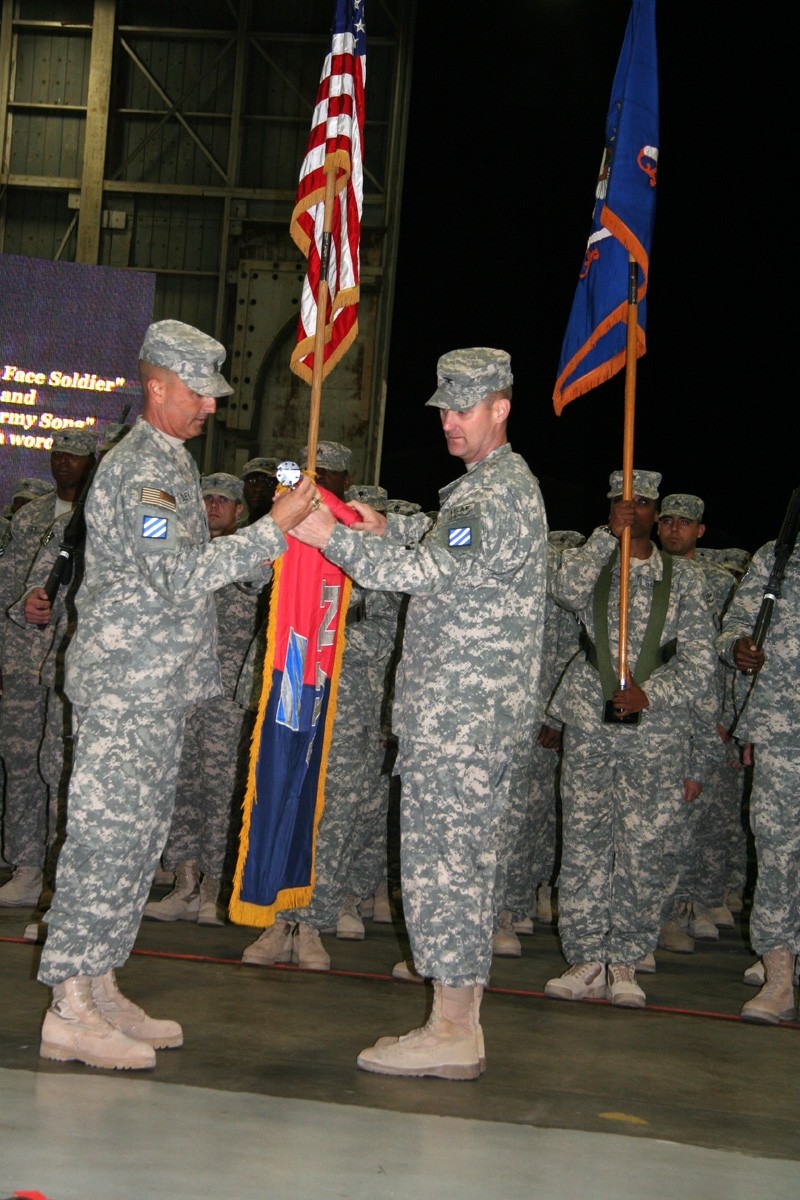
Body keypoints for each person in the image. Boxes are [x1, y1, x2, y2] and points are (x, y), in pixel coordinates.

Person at [32, 318, 314, 1071]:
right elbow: (177, 576)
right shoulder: (140, 472)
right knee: (103, 843)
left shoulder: (174, 464)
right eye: (199, 392)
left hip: (155, 690)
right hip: (126, 691)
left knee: (135, 843)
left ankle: (100, 981)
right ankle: (68, 1004)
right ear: (157, 387)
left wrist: (277, 544)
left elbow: (192, 572)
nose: (212, 406)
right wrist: (273, 529)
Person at [291, 347, 548, 1080]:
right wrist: (387, 530)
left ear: (500, 408)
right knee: (451, 866)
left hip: (460, 724)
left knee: (450, 870)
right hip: (460, 720)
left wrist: (331, 539)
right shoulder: (486, 490)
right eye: (443, 407)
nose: (448, 421)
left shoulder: (490, 495)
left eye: (463, 408)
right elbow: (446, 556)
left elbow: (428, 574)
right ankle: (452, 1020)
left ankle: (453, 1027)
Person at [544, 470, 716, 1009]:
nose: (634, 510)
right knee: (585, 841)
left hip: (655, 731)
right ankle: (586, 958)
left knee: (643, 848)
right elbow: (562, 589)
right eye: (624, 502)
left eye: (643, 503)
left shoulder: (685, 581)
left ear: (656, 511)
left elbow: (700, 659)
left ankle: (627, 960)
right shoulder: (596, 563)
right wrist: (603, 538)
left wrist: (654, 694)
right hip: (591, 722)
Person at [143, 472, 267, 926]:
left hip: (227, 697)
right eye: (207, 498)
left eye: (224, 500)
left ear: (240, 511)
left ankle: (217, 885)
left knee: (223, 790)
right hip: (179, 691)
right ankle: (185, 880)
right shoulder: (178, 556)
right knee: (180, 787)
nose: (214, 506)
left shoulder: (251, 557)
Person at [0, 429, 97, 907]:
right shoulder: (32, 516)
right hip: (20, 661)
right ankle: (24, 867)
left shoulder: (97, 517)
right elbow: (10, 589)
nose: (65, 463)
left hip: (67, 665)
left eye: (76, 457)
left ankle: (59, 879)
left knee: (61, 770)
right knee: (20, 766)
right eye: (58, 454)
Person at [716, 533, 800, 1024]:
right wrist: (739, 649)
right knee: (777, 848)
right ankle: (779, 975)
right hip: (782, 728)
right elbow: (731, 631)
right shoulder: (780, 553)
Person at [654, 494, 742, 957]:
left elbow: (729, 655)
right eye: (666, 521)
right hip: (653, 704)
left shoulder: (718, 583)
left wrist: (727, 717)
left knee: (693, 817)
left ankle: (681, 911)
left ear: (700, 531)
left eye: (684, 523)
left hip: (702, 709)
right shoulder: (646, 570)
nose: (673, 530)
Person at [240, 457, 278, 524]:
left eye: (267, 482)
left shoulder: (291, 531)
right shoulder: (233, 531)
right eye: (252, 481)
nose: (258, 488)